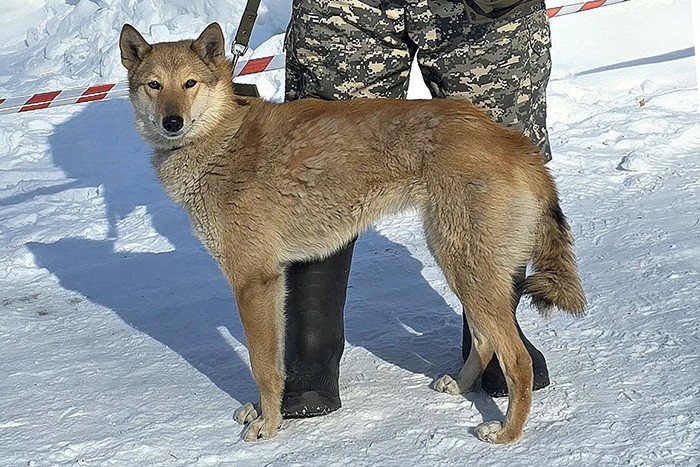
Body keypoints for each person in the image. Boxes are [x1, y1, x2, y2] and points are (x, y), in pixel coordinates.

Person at [280, 0, 553, 417]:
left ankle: (492, 335)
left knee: (495, 151)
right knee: (320, 160)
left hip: (484, 10)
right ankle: (310, 355)